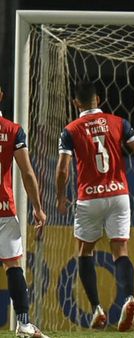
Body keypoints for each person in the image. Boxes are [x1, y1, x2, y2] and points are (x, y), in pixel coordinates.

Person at [56, 80, 134, 331]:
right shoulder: (118, 122)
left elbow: (63, 168)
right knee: (120, 250)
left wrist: (60, 196)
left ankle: (97, 309)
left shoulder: (70, 130)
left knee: (84, 251)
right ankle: (129, 298)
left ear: (76, 103)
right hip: (118, 195)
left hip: (89, 198)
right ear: (98, 100)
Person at [0, 86, 49, 337]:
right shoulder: (12, 131)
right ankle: (24, 324)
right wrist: (38, 209)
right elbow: (27, 172)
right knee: (13, 265)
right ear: (1, 95)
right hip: (3, 211)